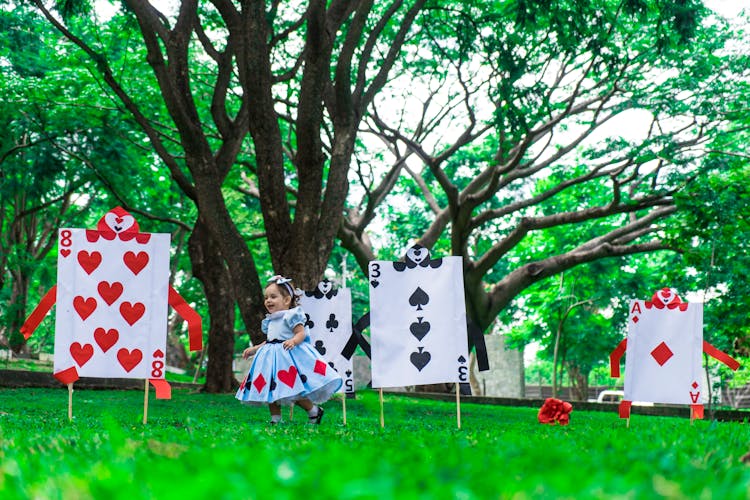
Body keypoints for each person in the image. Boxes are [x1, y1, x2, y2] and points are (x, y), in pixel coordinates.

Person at [236, 275, 342, 424]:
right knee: (270, 389)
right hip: (270, 361)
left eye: (273, 297)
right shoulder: (271, 320)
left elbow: (301, 333)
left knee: (293, 392)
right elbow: (270, 341)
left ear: (286, 300)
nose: (268, 301)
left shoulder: (291, 315)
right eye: (266, 297)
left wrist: (293, 340)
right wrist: (254, 349)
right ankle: (275, 418)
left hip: (286, 359)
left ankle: (314, 411)